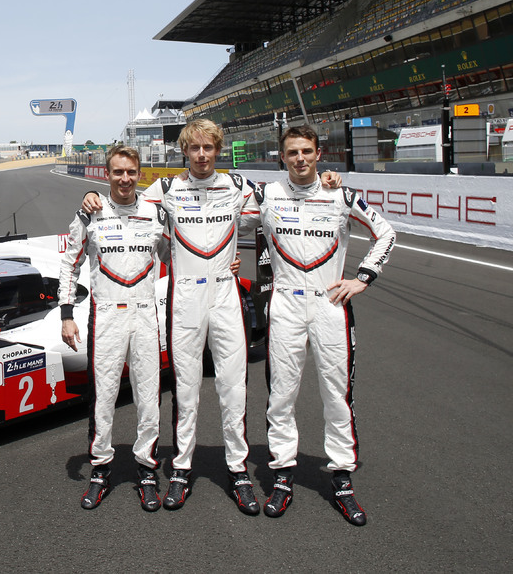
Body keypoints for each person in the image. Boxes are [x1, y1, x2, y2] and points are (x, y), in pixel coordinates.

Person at [82, 120, 341, 517]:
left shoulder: (239, 186)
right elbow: (125, 201)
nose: (201, 155)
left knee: (233, 388)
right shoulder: (165, 189)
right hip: (185, 296)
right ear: (184, 151)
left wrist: (327, 181)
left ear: (218, 150)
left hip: (224, 294)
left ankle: (238, 470)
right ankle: (181, 469)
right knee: (185, 391)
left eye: (208, 147)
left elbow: (286, 198)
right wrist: (90, 197)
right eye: (194, 148)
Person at [247, 125, 395, 526]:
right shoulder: (266, 195)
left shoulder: (340, 194)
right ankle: (282, 475)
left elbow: (385, 233)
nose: (300, 158)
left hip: (331, 304)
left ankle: (342, 478)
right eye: (292, 152)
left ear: (318, 153)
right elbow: (221, 218)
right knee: (281, 396)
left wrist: (363, 277)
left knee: (337, 395)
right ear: (281, 157)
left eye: (306, 151)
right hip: (285, 304)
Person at [59, 144, 167, 511]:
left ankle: (147, 470)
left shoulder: (156, 214)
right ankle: (101, 469)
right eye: (118, 172)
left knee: (148, 397)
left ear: (140, 174)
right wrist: (66, 314)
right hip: (105, 314)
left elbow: (176, 256)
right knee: (103, 397)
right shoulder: (90, 213)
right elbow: (69, 264)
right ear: (107, 174)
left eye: (131, 172)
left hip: (145, 315)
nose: (125, 178)